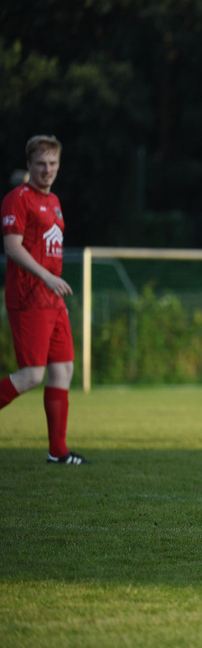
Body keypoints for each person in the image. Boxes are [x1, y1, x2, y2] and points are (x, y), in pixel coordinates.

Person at [0, 135, 88, 464]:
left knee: (63, 369)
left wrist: (53, 283)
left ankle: (58, 452)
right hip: (28, 297)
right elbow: (12, 247)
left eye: (52, 164)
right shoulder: (17, 199)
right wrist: (47, 276)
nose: (47, 170)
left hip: (52, 301)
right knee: (32, 375)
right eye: (40, 163)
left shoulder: (54, 202)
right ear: (29, 165)